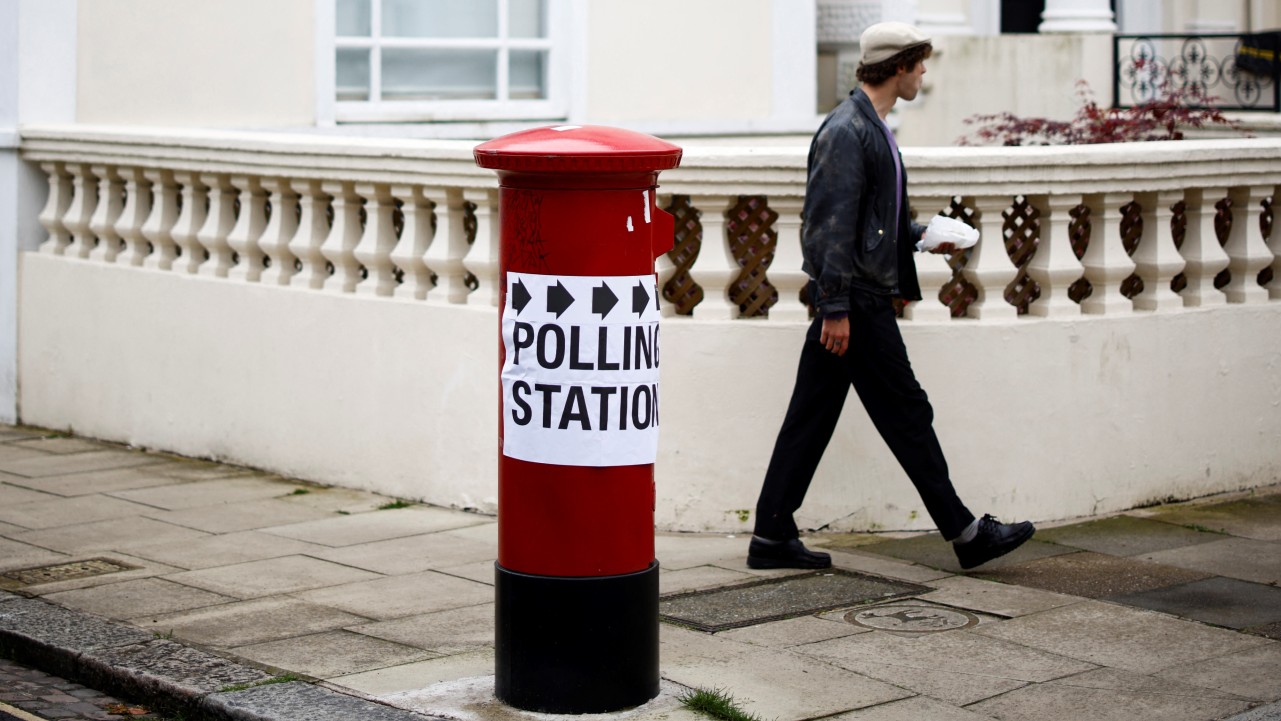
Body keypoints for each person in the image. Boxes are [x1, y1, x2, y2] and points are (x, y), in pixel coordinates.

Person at [747, 21, 1034, 571]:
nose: (925, 71)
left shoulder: (869, 125)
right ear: (897, 65)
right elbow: (827, 226)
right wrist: (833, 307)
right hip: (856, 303)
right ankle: (967, 533)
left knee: (812, 417)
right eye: (919, 62)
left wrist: (919, 235)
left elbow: (866, 224)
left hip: (857, 297)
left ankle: (771, 535)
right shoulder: (847, 131)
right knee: (907, 413)